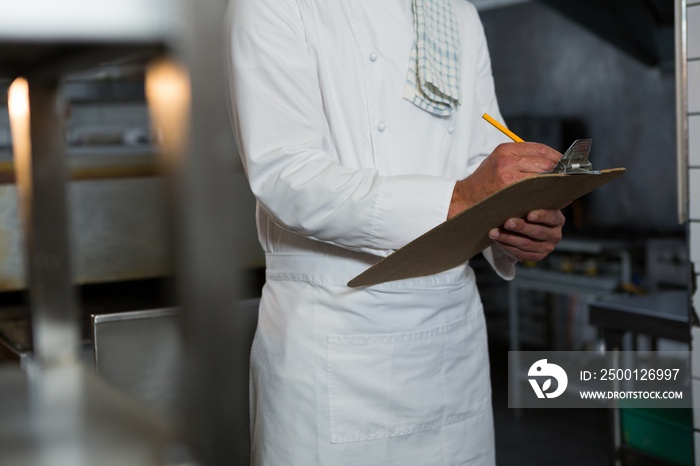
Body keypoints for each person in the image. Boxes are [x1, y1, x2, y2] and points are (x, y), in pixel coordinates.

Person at [226, 0, 564, 464]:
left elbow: (482, 157)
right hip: (334, 336)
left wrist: (517, 220)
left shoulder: (457, 13)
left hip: (449, 339)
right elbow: (288, 177)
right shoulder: (273, 6)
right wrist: (464, 198)